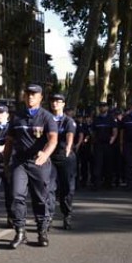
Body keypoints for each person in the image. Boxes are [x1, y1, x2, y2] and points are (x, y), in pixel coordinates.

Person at [4, 84, 58, 248]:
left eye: (34, 94)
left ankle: (42, 231)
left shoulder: (47, 117)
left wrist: (45, 153)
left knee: (40, 198)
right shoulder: (17, 117)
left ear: (41, 97)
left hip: (39, 162)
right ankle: (20, 231)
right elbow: (9, 141)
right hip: (19, 162)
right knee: (16, 195)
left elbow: (53, 139)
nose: (30, 97)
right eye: (28, 94)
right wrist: (6, 163)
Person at [48, 94, 77, 230]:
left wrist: (68, 148)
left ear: (63, 104)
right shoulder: (47, 119)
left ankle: (67, 214)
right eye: (53, 101)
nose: (55, 104)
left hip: (65, 156)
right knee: (49, 187)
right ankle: (48, 216)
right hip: (50, 157)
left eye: (58, 101)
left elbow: (70, 135)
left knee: (67, 188)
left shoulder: (68, 121)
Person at [90, 101, 117, 191]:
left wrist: (111, 140)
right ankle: (97, 184)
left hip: (108, 145)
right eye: (101, 106)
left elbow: (114, 131)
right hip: (98, 145)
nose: (102, 108)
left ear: (107, 108)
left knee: (108, 164)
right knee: (98, 164)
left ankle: (108, 183)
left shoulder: (111, 119)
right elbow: (93, 132)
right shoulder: (96, 119)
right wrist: (94, 141)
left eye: (104, 106)